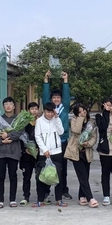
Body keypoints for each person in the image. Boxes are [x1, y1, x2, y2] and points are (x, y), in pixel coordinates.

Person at [42, 70, 72, 200]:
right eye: (54, 98)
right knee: (48, 166)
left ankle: (64, 190)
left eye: (58, 98)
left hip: (63, 140)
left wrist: (65, 80)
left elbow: (66, 95)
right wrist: (46, 80)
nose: (56, 99)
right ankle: (46, 190)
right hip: (49, 142)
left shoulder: (64, 108)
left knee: (63, 168)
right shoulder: (48, 109)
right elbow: (44, 95)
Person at [0, 97, 23, 208]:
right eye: (6, 104)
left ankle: (12, 199)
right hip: (1, 152)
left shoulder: (18, 119)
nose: (8, 106)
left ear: (14, 106)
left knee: (13, 175)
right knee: (1, 175)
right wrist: (1, 141)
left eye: (10, 104)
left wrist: (8, 136)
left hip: (14, 151)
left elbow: (19, 133)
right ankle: (0, 200)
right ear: (3, 107)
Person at [65, 104, 99, 208]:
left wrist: (88, 143)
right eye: (79, 112)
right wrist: (80, 118)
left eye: (84, 110)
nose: (82, 113)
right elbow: (76, 130)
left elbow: (94, 137)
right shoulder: (74, 120)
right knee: (83, 176)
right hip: (76, 152)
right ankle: (90, 198)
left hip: (86, 152)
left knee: (85, 176)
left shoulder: (91, 122)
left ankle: (81, 196)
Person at [33, 102, 66, 207]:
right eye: (48, 112)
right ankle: (40, 199)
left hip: (57, 151)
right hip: (44, 153)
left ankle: (59, 199)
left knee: (58, 176)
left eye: (52, 112)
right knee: (41, 176)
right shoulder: (39, 121)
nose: (50, 114)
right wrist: (44, 149)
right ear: (44, 111)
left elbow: (61, 132)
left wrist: (57, 118)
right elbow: (37, 136)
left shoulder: (56, 119)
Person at [19, 102, 39, 206]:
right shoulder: (23, 122)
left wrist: (39, 149)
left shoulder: (40, 122)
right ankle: (26, 196)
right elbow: (20, 138)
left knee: (39, 176)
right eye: (32, 109)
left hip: (38, 153)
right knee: (26, 176)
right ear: (28, 110)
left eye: (36, 109)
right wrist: (24, 149)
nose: (34, 111)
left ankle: (41, 196)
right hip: (26, 155)